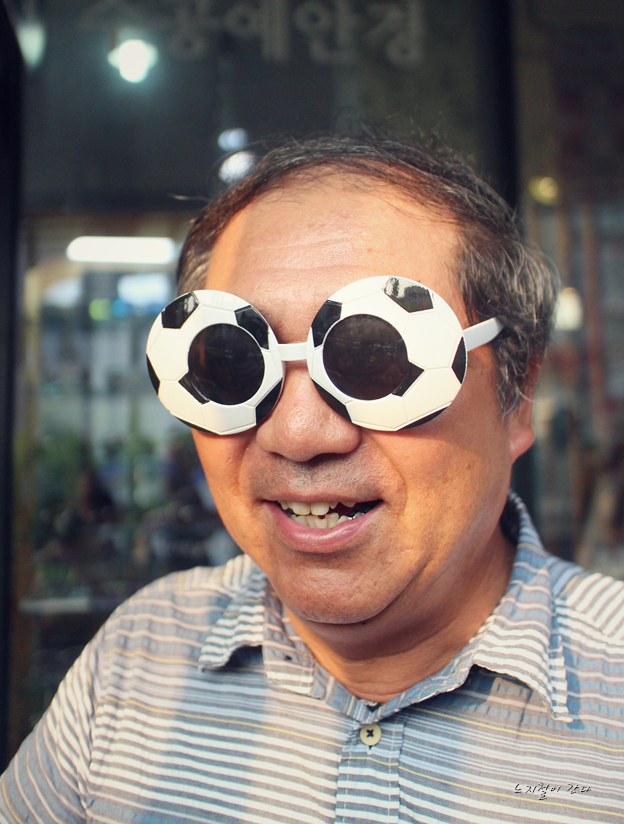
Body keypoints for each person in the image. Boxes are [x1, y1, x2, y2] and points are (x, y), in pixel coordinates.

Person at [2, 134, 623, 823]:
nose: (296, 434)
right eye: (233, 363)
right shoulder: (136, 660)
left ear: (518, 399)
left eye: (377, 357)